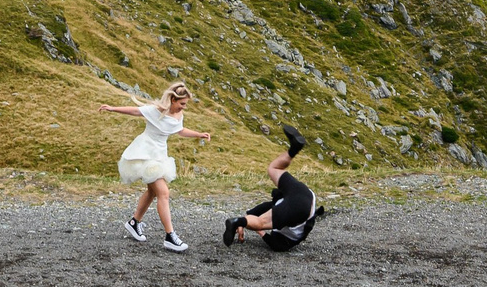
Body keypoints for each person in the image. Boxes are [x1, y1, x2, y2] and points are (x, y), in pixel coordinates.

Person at [105, 82, 208, 251]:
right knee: (163, 193)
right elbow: (135, 111)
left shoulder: (178, 115)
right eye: (182, 104)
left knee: (153, 191)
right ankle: (170, 236)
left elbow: (179, 130)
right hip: (144, 154)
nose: (184, 107)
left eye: (185, 104)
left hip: (159, 156)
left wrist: (198, 134)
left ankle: (134, 222)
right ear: (173, 100)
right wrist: (112, 109)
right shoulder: (155, 111)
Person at [223, 125, 323, 252]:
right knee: (260, 221)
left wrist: (246, 223)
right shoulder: (286, 229)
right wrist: (244, 222)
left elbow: (260, 219)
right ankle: (294, 148)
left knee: (274, 169)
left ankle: (293, 150)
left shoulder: (284, 227)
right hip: (301, 202)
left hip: (305, 195)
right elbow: (259, 218)